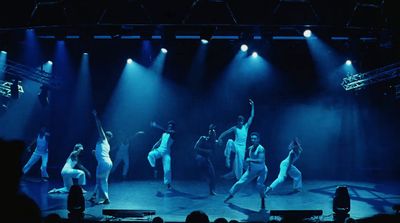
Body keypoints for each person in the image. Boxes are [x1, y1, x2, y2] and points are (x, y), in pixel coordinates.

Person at [224, 132, 268, 210]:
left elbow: (261, 160)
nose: (253, 140)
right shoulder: (250, 148)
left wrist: (250, 159)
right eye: (252, 138)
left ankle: (263, 201)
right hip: (252, 170)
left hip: (262, 170)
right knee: (240, 182)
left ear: (258, 139)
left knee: (259, 185)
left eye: (255, 139)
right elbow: (242, 155)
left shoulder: (261, 149)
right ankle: (230, 195)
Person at [218, 99, 254, 180]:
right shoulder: (235, 128)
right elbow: (226, 132)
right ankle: (227, 159)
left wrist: (252, 106)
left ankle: (239, 179)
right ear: (237, 122)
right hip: (235, 145)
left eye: (242, 121)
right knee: (230, 141)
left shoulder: (246, 127)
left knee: (239, 164)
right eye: (239, 121)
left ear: (243, 122)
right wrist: (219, 137)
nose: (241, 123)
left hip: (242, 148)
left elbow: (251, 116)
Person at [89, 110, 113, 204]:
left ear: (106, 136)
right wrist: (95, 152)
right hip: (108, 163)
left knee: (100, 180)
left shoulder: (103, 139)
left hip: (103, 163)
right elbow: (100, 154)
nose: (101, 134)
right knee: (101, 179)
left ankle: (106, 198)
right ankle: (94, 195)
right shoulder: (106, 145)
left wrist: (95, 116)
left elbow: (99, 127)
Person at [147, 120, 176, 189]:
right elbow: (159, 141)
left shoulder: (173, 133)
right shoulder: (164, 134)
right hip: (159, 150)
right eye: (169, 126)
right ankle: (155, 169)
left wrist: (156, 125)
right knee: (150, 154)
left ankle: (168, 184)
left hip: (166, 153)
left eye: (171, 126)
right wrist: (154, 146)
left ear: (173, 127)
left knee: (168, 169)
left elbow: (168, 131)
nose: (170, 127)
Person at [194, 123, 218, 195]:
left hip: (206, 159)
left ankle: (211, 191)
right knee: (208, 173)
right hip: (200, 157)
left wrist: (219, 143)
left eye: (214, 133)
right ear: (209, 133)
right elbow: (195, 148)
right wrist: (205, 150)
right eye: (211, 132)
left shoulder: (213, 142)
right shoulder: (203, 138)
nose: (213, 134)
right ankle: (204, 177)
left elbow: (217, 145)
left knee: (212, 174)